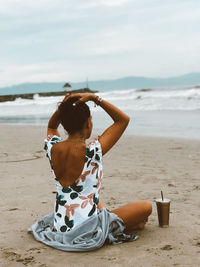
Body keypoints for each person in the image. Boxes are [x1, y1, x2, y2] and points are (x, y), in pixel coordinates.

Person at [29, 93, 152, 251]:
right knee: (145, 207)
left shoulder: (52, 147)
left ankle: (122, 223)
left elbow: (52, 126)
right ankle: (118, 225)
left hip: (61, 226)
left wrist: (64, 107)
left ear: (65, 123)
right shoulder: (92, 151)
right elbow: (123, 120)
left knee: (95, 200)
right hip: (87, 228)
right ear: (88, 123)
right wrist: (95, 99)